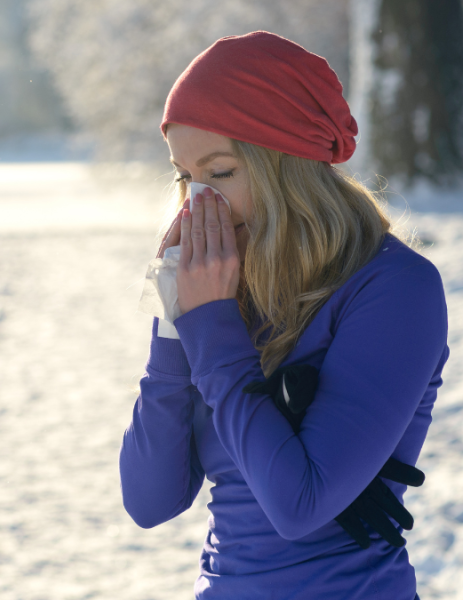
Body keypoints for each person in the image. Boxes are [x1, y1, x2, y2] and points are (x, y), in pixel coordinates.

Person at [119, 31, 449, 599]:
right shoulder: (222, 290)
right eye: (184, 176)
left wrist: (212, 328)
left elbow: (300, 504)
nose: (200, 202)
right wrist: (175, 325)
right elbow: (150, 501)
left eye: (219, 173)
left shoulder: (394, 288)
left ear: (287, 164)